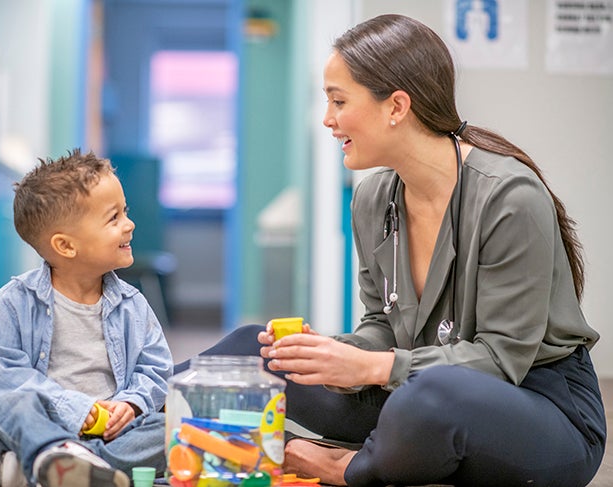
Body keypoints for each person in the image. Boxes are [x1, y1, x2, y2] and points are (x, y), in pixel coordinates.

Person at [175, 14, 606, 487]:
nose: (327, 119)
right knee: (255, 351)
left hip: (539, 408)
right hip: (415, 388)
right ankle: (119, 414)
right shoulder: (372, 198)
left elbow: (501, 362)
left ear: (396, 106)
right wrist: (333, 355)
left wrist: (373, 366)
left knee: (427, 400)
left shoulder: (510, 198)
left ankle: (350, 467)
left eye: (339, 101)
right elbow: (382, 324)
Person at [0, 149, 173, 487]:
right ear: (66, 245)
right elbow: (0, 372)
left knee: (174, 428)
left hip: (114, 435)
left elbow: (156, 369)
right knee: (9, 408)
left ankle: (66, 469)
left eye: (125, 212)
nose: (129, 224)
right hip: (42, 427)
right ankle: (53, 456)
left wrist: (130, 405)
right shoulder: (15, 302)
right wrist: (72, 408)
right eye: (113, 218)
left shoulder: (133, 305)